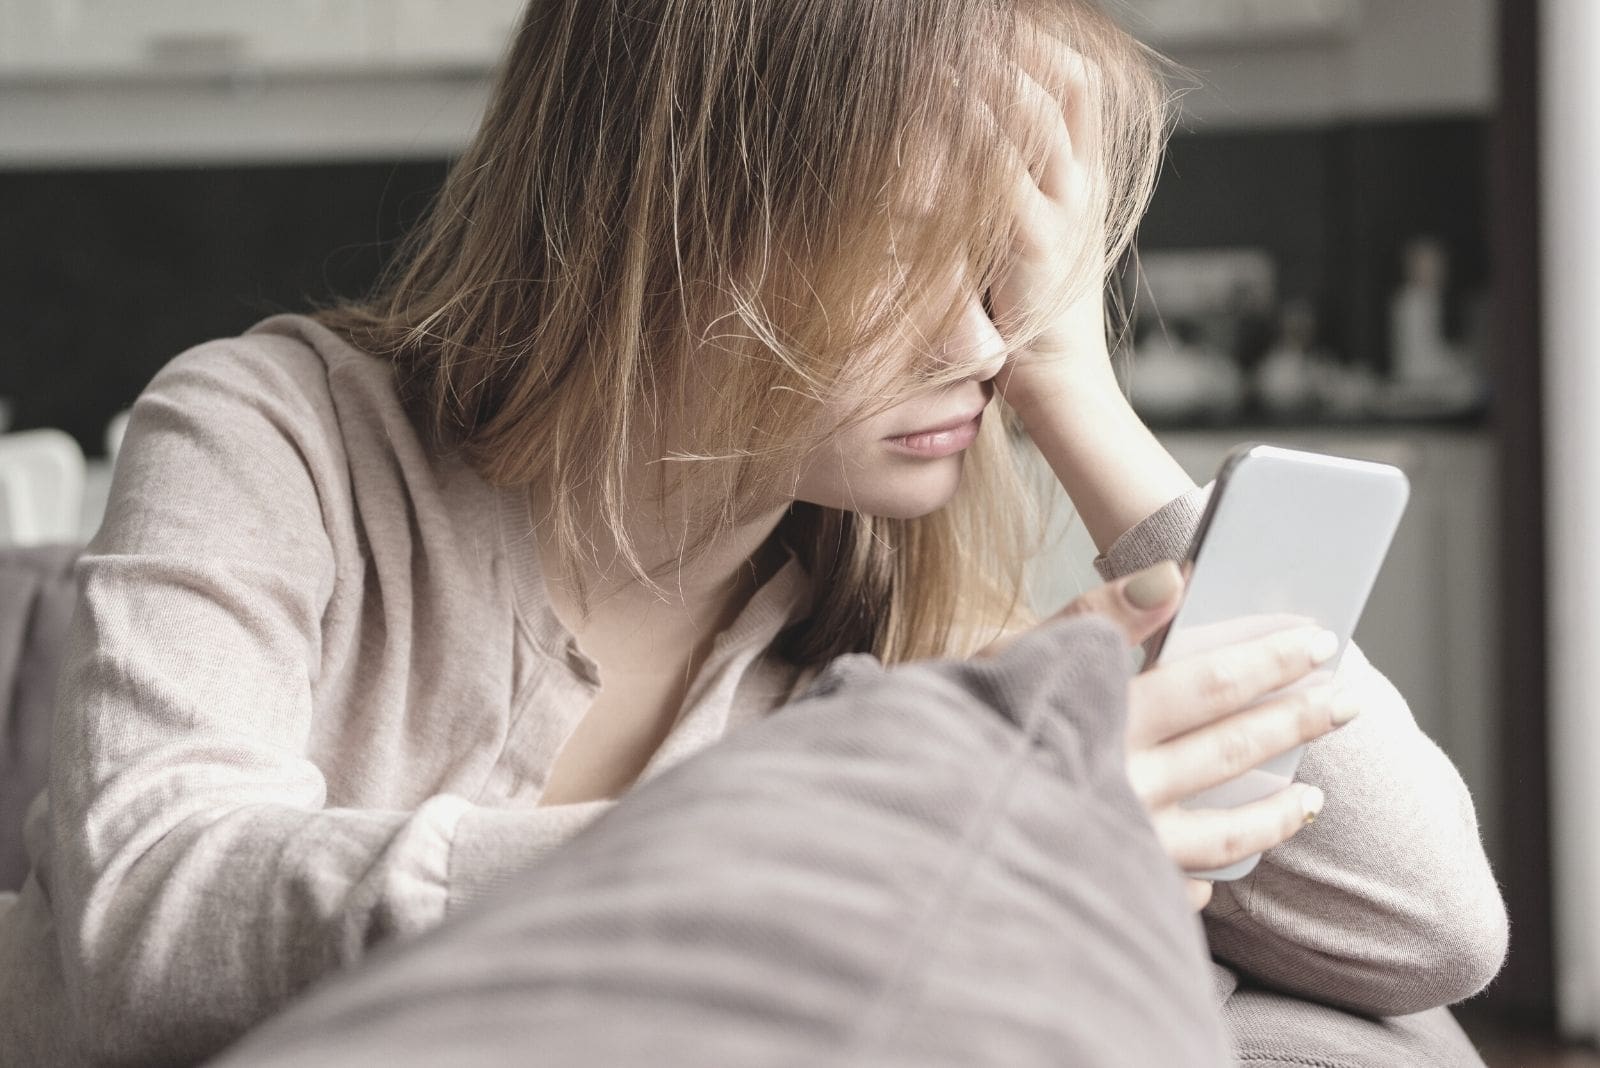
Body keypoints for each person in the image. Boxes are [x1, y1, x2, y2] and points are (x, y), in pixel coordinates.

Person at [0, 1, 1507, 1064]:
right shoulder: (274, 433)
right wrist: (860, 833)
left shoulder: (902, 590)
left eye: (1024, 271)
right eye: (925, 247)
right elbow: (147, 929)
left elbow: (1423, 933)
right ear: (681, 215)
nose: (989, 338)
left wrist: (1080, 397)